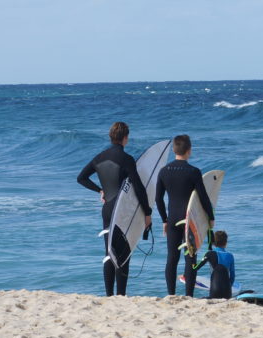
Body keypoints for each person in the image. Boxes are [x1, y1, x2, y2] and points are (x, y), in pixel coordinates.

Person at [77, 121, 151, 296]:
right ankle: (121, 294)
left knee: (109, 252)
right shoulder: (126, 159)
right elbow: (139, 187)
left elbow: (81, 178)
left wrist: (100, 190)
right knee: (123, 252)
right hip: (122, 210)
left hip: (107, 209)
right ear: (125, 138)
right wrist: (147, 212)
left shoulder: (99, 157)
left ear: (111, 137)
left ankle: (109, 294)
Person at [156, 134, 213, 297]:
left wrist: (164, 219)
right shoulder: (194, 172)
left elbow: (158, 198)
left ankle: (171, 294)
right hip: (190, 220)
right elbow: (202, 197)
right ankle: (189, 295)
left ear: (174, 150)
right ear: (189, 150)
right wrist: (210, 216)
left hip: (173, 218)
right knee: (190, 257)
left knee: (172, 258)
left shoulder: (164, 171)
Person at [201, 230, 236, 299]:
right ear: (226, 242)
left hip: (215, 291)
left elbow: (196, 268)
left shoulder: (209, 254)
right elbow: (232, 277)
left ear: (213, 243)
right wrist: (229, 286)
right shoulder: (230, 256)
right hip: (227, 293)